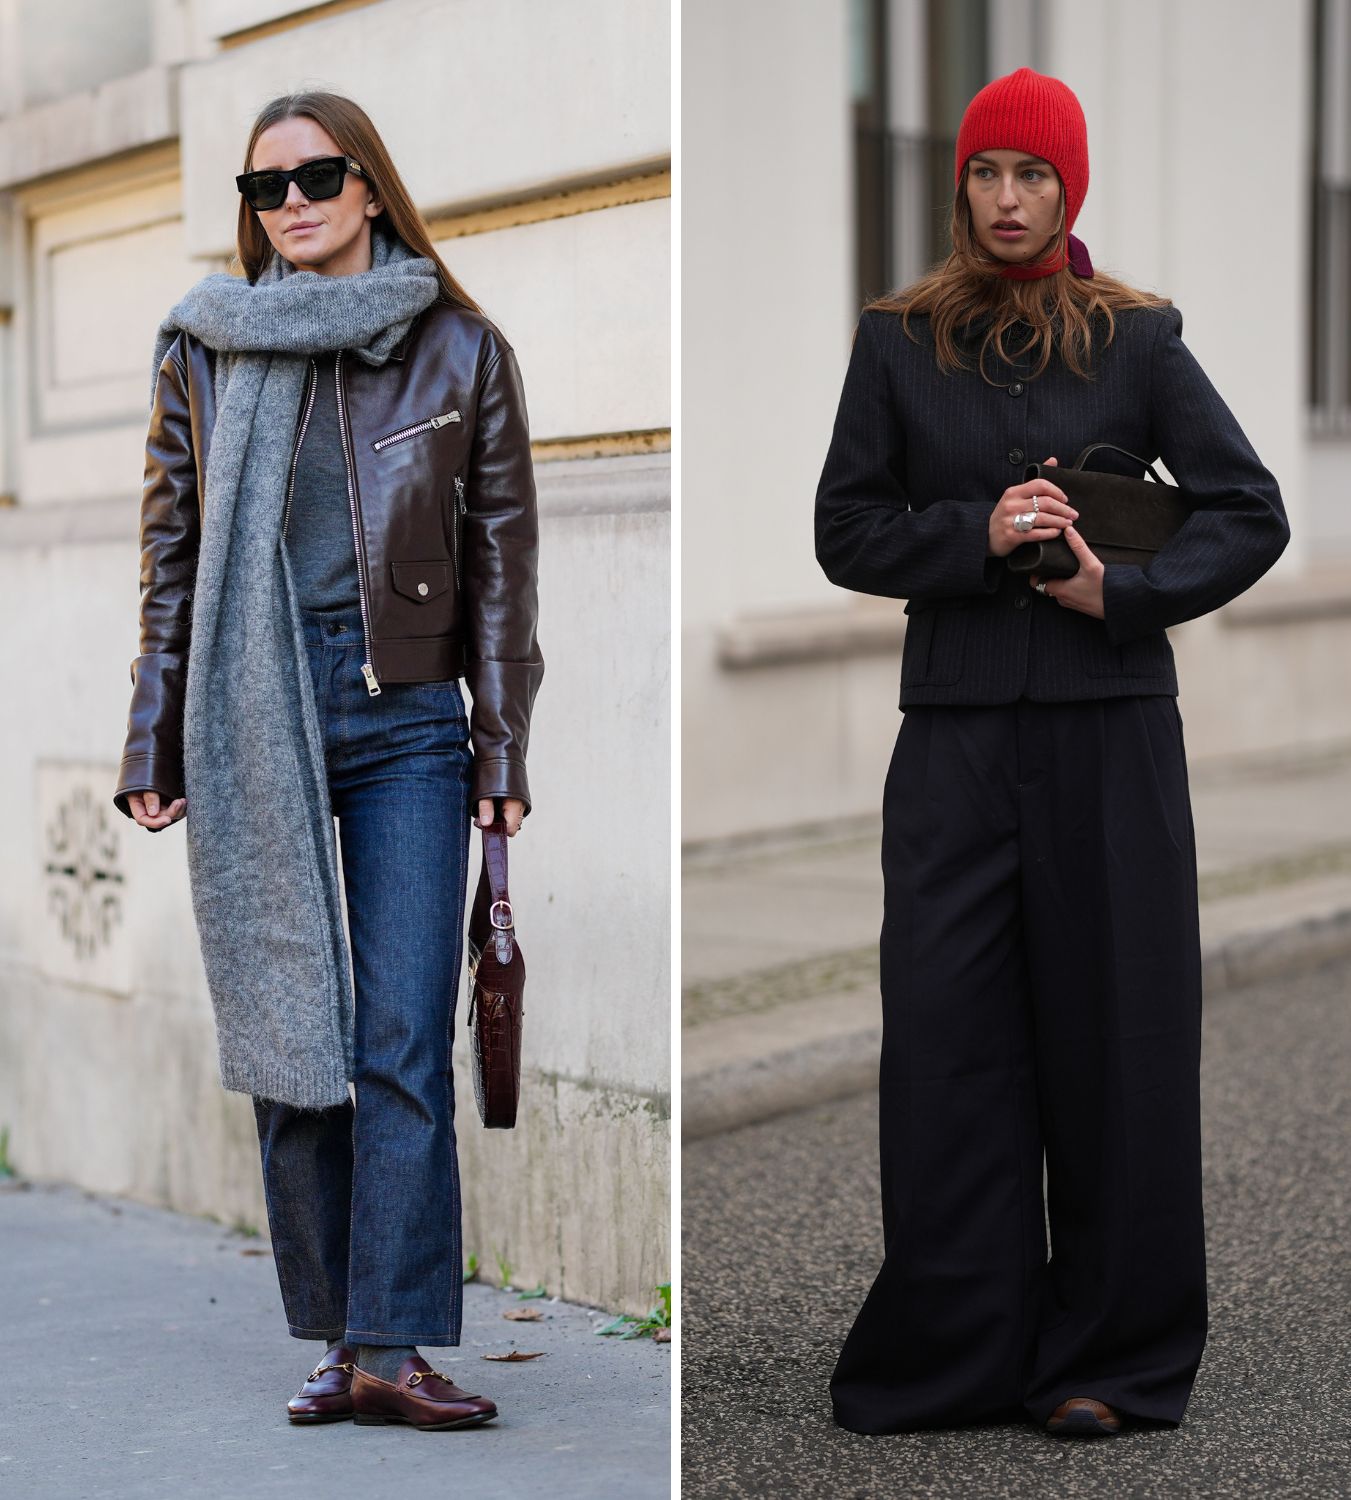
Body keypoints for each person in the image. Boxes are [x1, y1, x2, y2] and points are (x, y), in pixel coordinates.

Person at [814, 67, 1288, 1438]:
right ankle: (958, 1353)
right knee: (951, 1040)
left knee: (1118, 1038)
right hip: (956, 736)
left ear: (1069, 188)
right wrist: (972, 534)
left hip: (1110, 733)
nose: (1009, 199)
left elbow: (1245, 511)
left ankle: (1111, 1358)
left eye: (1034, 176)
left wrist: (1118, 593)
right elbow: (846, 529)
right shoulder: (897, 341)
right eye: (986, 175)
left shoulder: (1140, 341)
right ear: (958, 186)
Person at [112, 90, 543, 1431]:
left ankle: (391, 1342)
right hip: (257, 718)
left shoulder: (460, 349)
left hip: (405, 717)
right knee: (296, 1030)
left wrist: (501, 743)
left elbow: (501, 568)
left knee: (402, 1032)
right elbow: (173, 556)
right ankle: (342, 1337)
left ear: (369, 186)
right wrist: (155, 724)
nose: (291, 202)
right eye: (265, 189)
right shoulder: (204, 349)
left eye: (315, 177)